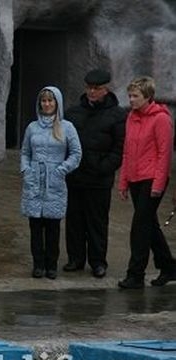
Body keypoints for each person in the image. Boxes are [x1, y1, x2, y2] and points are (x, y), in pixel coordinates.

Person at [63, 69, 126, 278]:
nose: (91, 91)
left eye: (96, 88)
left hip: (99, 178)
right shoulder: (73, 113)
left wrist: (104, 167)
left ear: (105, 89)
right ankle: (75, 258)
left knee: (97, 221)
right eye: (89, 87)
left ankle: (98, 261)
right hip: (75, 176)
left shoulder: (117, 115)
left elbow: (119, 148)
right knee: (74, 220)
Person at [117, 76, 176, 289]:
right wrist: (123, 181)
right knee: (149, 224)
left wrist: (158, 185)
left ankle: (136, 274)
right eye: (130, 96)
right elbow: (127, 152)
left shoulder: (161, 119)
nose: (131, 100)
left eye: (135, 96)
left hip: (152, 178)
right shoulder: (131, 117)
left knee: (139, 226)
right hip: (135, 177)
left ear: (147, 97)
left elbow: (164, 154)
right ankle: (169, 267)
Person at [20, 86, 82, 280]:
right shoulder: (32, 127)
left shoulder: (67, 127)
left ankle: (51, 265)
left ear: (57, 103)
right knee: (35, 226)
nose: (46, 104)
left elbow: (76, 153)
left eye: (50, 101)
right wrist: (26, 170)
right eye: (43, 101)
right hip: (34, 181)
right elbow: (24, 152)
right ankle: (38, 264)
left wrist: (61, 169)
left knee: (53, 227)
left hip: (55, 181)